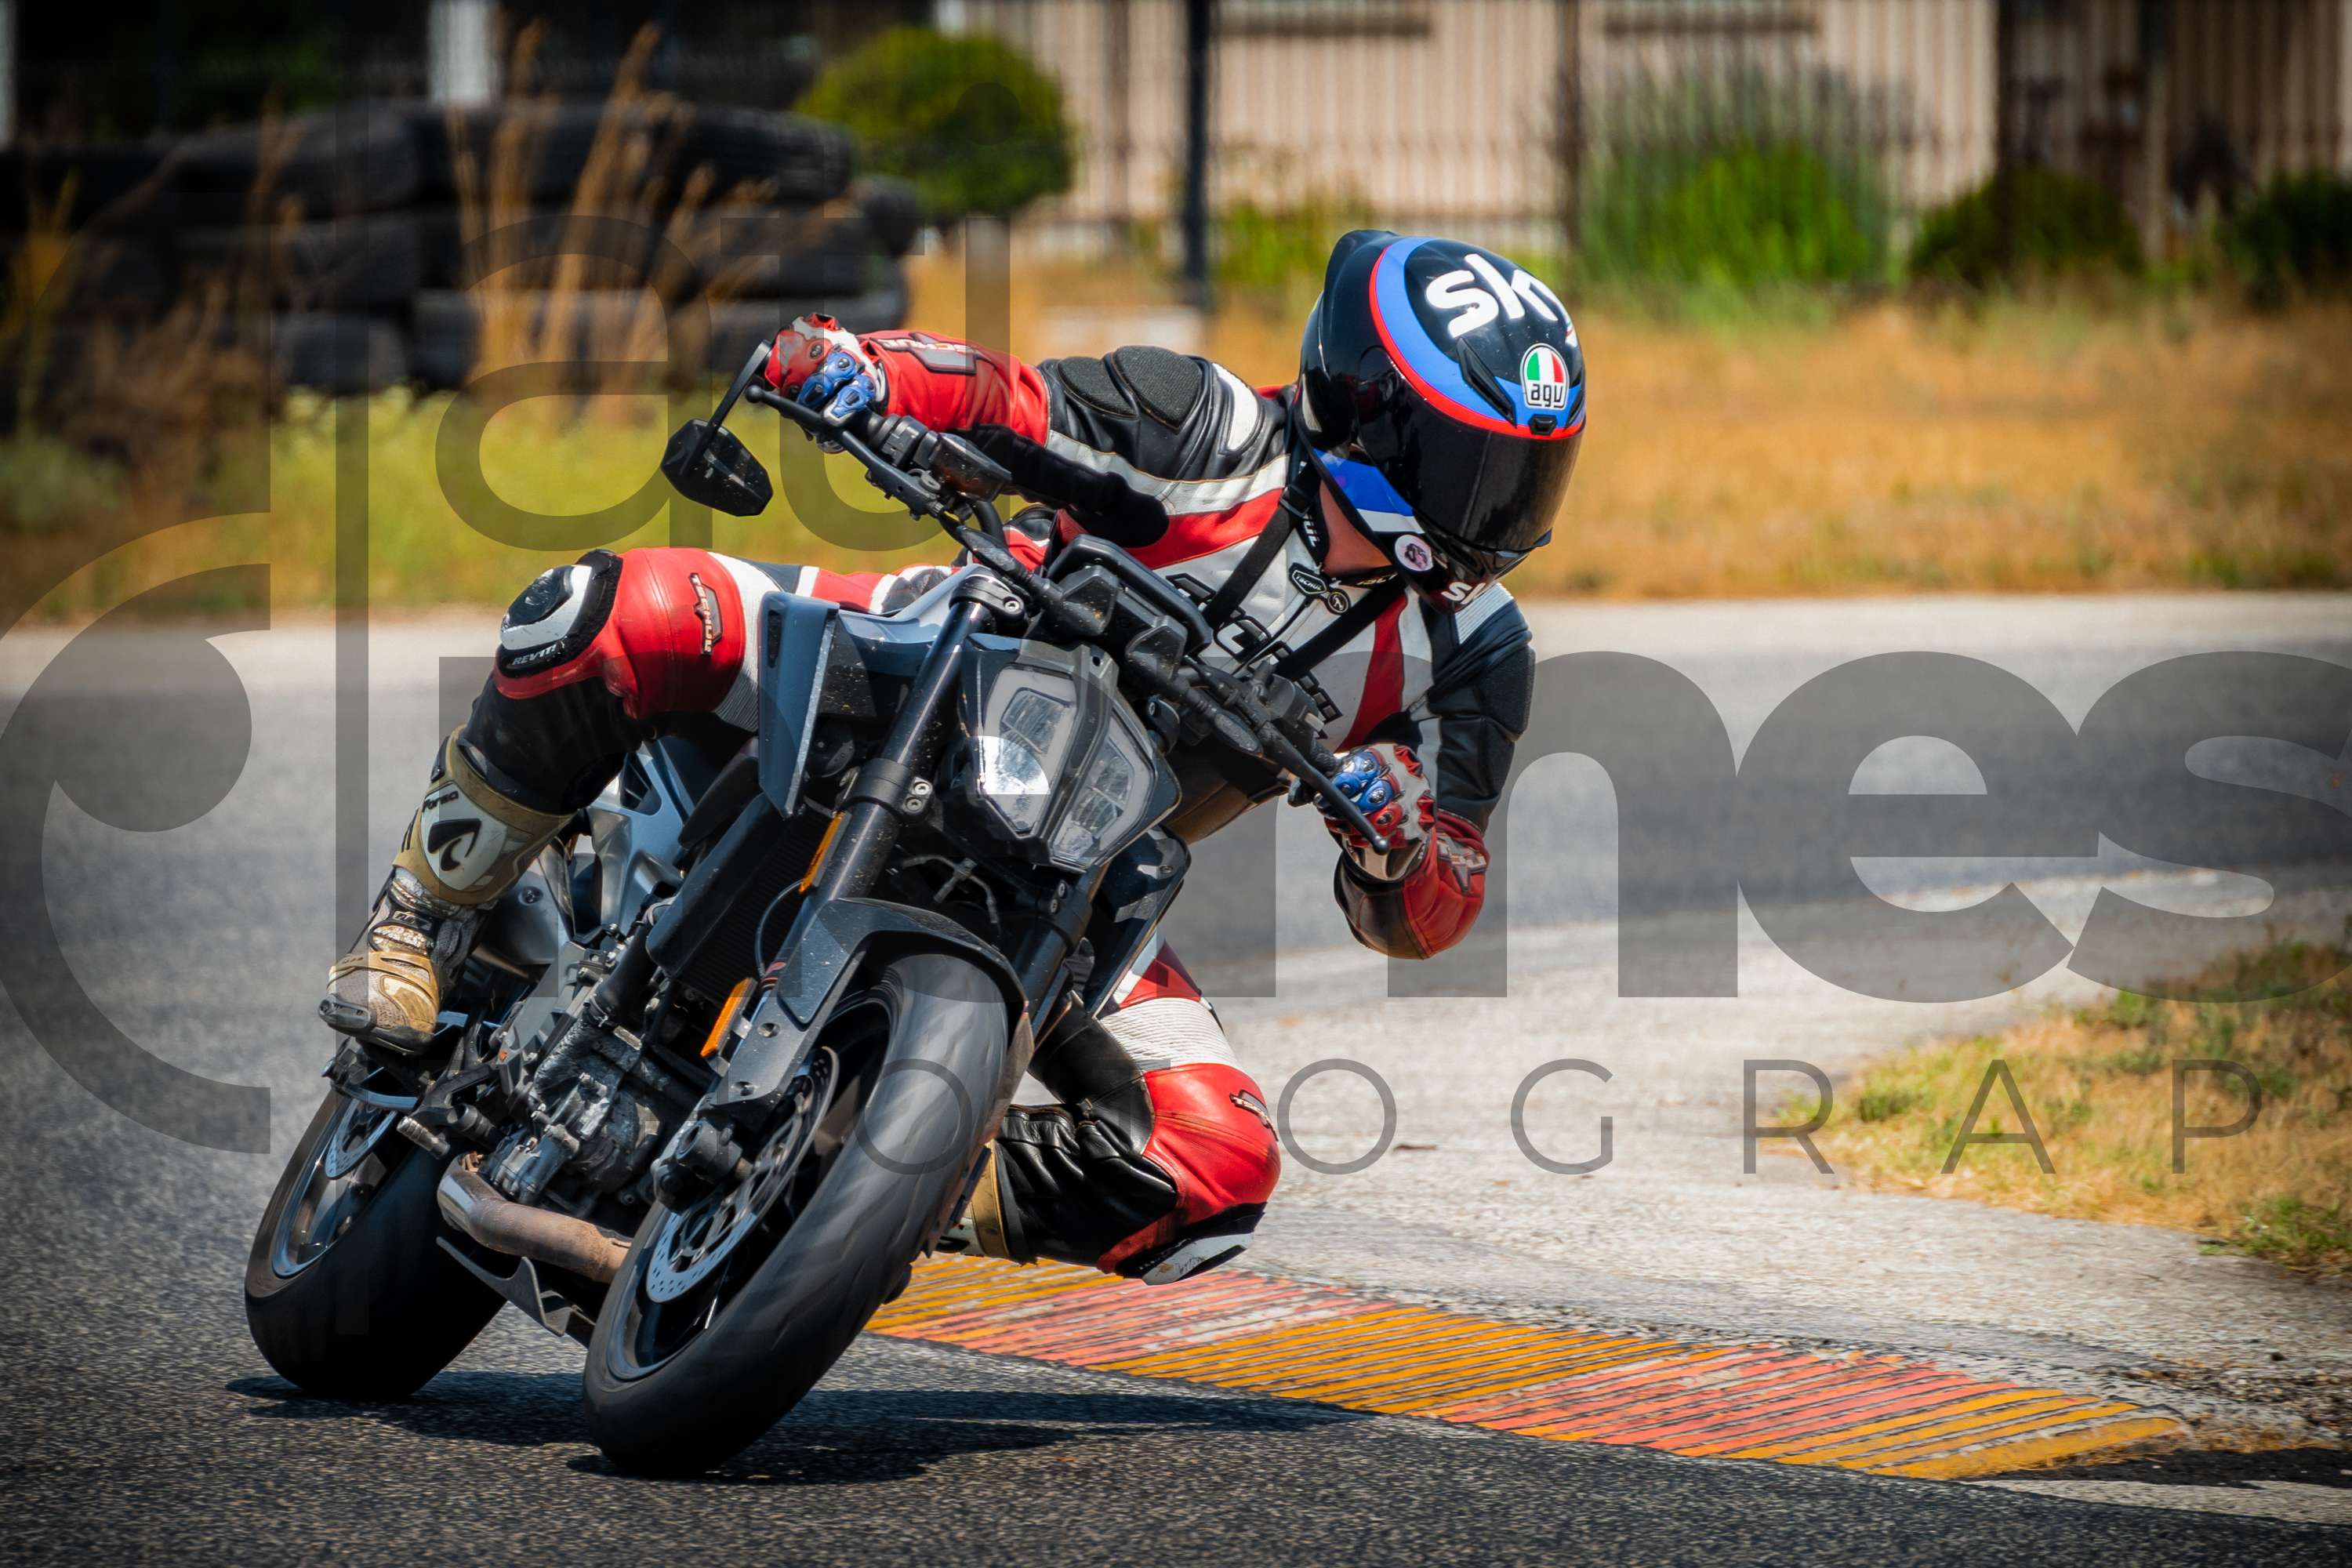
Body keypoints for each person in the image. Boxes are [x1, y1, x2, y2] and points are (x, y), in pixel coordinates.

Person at [321, 230, 1586, 1285]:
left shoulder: (1475, 650)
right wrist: (864, 369)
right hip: (912, 673)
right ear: (1366, 406)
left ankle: (846, 1192)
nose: (1498, 517)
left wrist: (1402, 846)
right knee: (609, 611)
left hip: (1088, 884)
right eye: (1477, 469)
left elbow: (1432, 911)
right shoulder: (1209, 433)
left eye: (1531, 478)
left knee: (1218, 1162)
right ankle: (421, 917)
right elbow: (1010, 402)